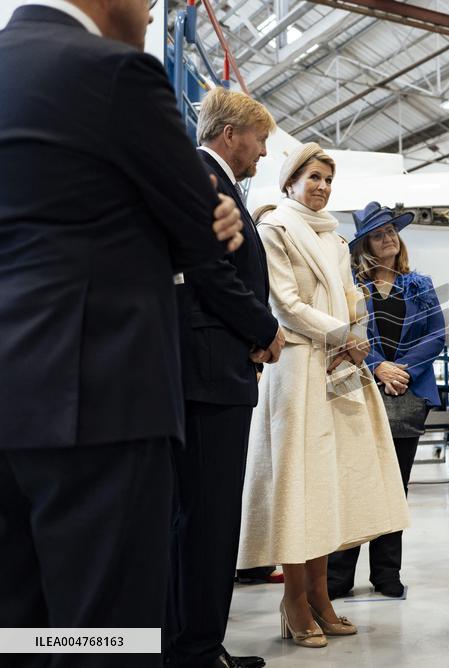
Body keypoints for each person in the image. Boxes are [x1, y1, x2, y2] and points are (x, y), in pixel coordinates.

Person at [0, 2, 244, 667]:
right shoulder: (113, 73)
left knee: (21, 629)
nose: (147, 13)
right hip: (97, 399)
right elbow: (201, 227)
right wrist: (203, 219)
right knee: (102, 636)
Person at [237, 144, 409, 647]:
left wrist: (353, 335)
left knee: (328, 484)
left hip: (338, 366)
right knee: (299, 486)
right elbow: (285, 304)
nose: (322, 187)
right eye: (314, 177)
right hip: (298, 367)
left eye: (329, 180)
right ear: (291, 181)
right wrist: (343, 334)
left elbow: (348, 298)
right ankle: (293, 601)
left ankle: (319, 595)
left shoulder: (332, 238)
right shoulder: (275, 229)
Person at [165, 87, 284, 668]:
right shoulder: (206, 182)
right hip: (210, 373)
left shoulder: (208, 181)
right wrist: (265, 328)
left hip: (203, 369)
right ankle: (198, 648)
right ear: (231, 133)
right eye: (260, 140)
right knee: (209, 518)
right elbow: (212, 274)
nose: (263, 153)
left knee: (192, 516)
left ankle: (185, 641)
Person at [326, 201, 447, 599]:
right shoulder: (351, 289)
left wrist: (403, 370)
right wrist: (378, 367)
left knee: (396, 485)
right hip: (361, 389)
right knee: (357, 481)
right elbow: (347, 333)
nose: (389, 239)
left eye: (392, 232)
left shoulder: (421, 284)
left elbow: (435, 335)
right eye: (379, 235)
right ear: (364, 245)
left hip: (407, 392)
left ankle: (387, 574)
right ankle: (339, 576)